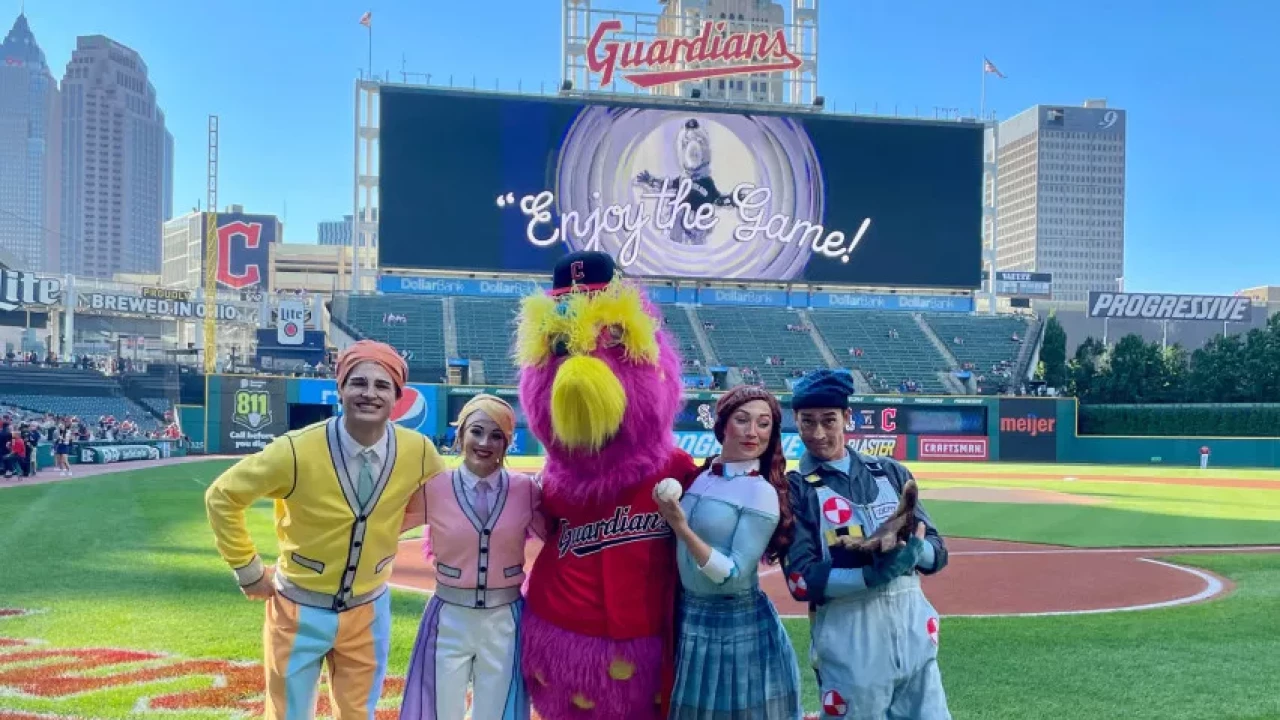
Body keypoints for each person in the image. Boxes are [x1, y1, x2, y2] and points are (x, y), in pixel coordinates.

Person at [204, 340, 445, 720]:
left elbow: (445, 502)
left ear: (398, 396)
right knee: (288, 714)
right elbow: (222, 496)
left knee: (356, 715)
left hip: (368, 609)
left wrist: (388, 532)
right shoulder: (296, 450)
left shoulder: (419, 451)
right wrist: (248, 571)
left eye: (382, 386)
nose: (369, 393)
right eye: (358, 383)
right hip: (298, 607)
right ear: (340, 388)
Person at [781, 369, 952, 720]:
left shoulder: (891, 473)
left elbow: (938, 550)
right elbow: (801, 579)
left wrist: (916, 552)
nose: (818, 433)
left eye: (829, 420)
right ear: (795, 422)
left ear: (847, 417)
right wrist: (872, 575)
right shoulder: (796, 489)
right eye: (807, 422)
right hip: (851, 648)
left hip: (915, 637)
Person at [656, 386, 803, 719]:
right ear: (723, 425)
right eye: (742, 420)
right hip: (691, 618)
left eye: (764, 424)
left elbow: (731, 574)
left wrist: (681, 526)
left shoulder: (761, 493)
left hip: (735, 624)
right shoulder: (702, 477)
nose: (753, 432)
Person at [399, 394, 544, 720]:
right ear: (460, 434)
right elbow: (383, 528)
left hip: (505, 621)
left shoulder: (527, 490)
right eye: (476, 431)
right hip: (448, 617)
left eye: (497, 435)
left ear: (508, 443)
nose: (485, 442)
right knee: (440, 711)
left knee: (495, 713)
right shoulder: (433, 488)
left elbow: (559, 538)